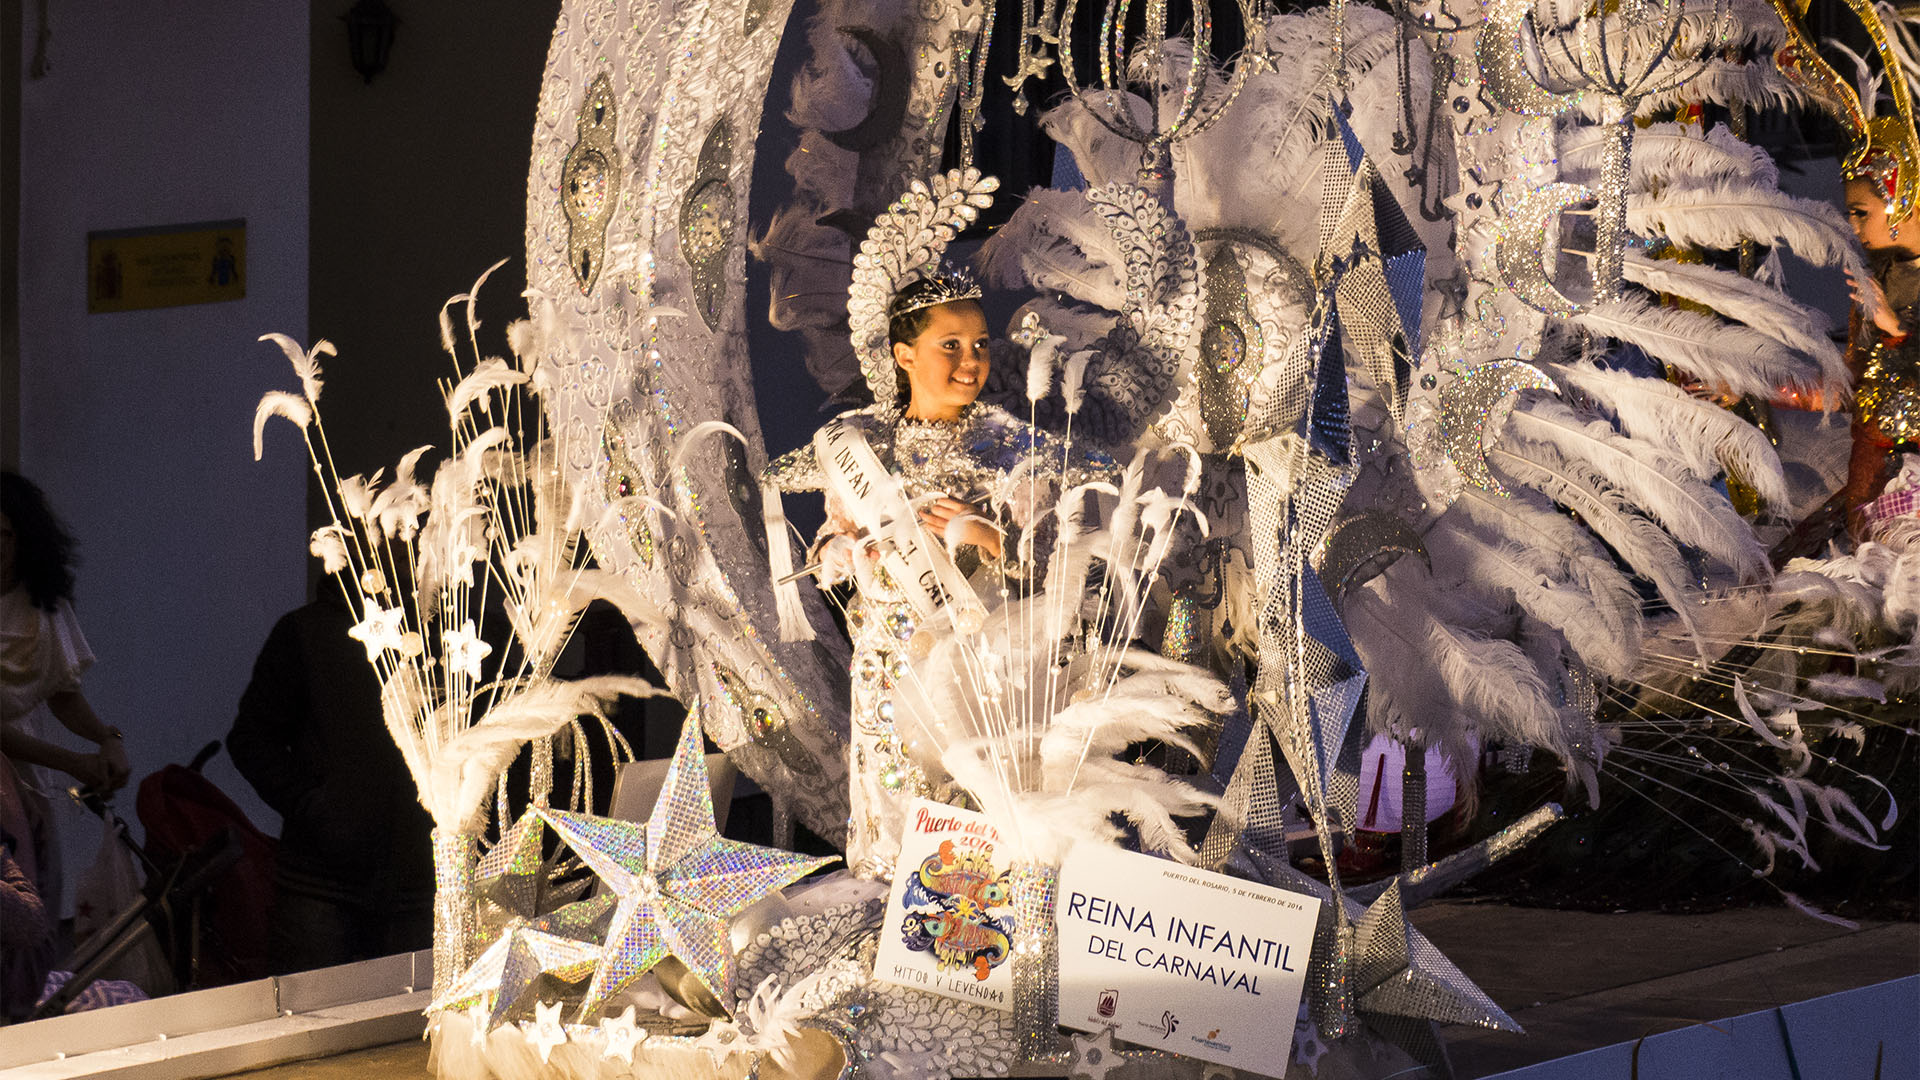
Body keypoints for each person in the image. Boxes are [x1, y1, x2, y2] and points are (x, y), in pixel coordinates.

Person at [766, 274, 1113, 879]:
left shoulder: (1015, 449)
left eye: (979, 344)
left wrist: (992, 540)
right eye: (948, 345)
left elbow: (1060, 572)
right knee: (896, 827)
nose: (970, 360)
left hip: (980, 670)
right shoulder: (862, 445)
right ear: (903, 355)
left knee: (979, 830)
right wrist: (836, 550)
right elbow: (836, 527)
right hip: (888, 670)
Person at [226, 589, 433, 972]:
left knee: (417, 1023)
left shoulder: (443, 628)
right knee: (310, 1021)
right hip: (320, 883)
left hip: (421, 881)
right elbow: (251, 739)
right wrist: (316, 807)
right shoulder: (306, 631)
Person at [0, 472, 130, 919]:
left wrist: (106, 738)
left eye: (4, 534)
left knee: (34, 893)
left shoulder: (39, 606)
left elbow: (63, 694)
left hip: (18, 781)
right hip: (10, 773)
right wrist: (75, 762)